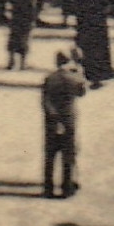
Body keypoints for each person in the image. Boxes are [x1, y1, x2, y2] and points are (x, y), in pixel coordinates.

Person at [41, 49, 87, 198]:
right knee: (68, 154)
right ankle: (67, 188)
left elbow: (45, 100)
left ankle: (48, 187)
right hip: (68, 118)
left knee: (50, 155)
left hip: (51, 120)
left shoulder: (50, 78)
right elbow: (82, 92)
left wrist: (53, 115)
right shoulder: (74, 78)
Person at [5, 0, 37, 71]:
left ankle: (11, 62)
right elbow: (32, 4)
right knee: (24, 40)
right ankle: (23, 64)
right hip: (26, 16)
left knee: (13, 38)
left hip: (16, 14)